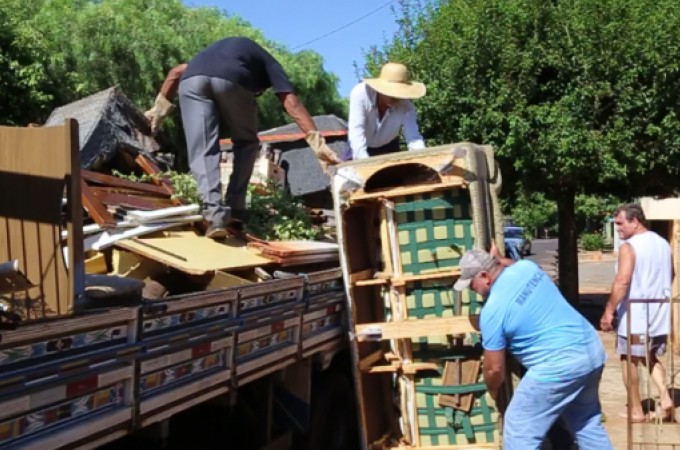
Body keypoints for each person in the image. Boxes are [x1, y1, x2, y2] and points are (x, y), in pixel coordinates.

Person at [144, 37, 340, 239]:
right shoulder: (271, 64)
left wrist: (158, 110)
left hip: (192, 81)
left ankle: (215, 216)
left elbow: (176, 72)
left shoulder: (214, 56)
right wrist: (317, 142)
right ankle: (236, 210)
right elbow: (291, 103)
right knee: (247, 143)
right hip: (234, 80)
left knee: (202, 149)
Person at [454, 247, 612, 449]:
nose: (472, 290)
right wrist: (500, 259)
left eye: (472, 285)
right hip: (591, 350)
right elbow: (510, 264)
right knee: (586, 423)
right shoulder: (528, 268)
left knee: (519, 428)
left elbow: (494, 369)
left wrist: (493, 389)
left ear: (484, 276)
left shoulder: (492, 311)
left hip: (558, 366)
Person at [600, 203, 674, 422]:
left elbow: (622, 281)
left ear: (635, 221)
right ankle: (665, 396)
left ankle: (636, 411)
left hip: (636, 315)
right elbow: (672, 273)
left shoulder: (629, 246)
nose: (618, 229)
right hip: (659, 312)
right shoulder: (662, 243)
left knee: (628, 359)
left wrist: (609, 312)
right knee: (649, 355)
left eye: (621, 224)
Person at [344, 62, 426, 160]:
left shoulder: (407, 106)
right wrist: (365, 164)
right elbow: (356, 131)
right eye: (392, 92)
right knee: (347, 173)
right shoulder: (360, 94)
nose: (396, 96)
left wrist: (423, 159)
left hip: (389, 147)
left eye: (399, 92)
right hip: (358, 147)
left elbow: (414, 139)